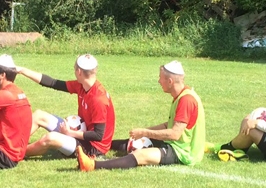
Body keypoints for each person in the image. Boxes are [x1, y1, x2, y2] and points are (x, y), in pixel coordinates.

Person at [76, 60, 205, 172]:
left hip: (182, 153)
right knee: (134, 142)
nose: (159, 81)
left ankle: (91, 165)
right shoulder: (183, 95)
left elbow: (174, 134)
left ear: (170, 81)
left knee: (140, 155)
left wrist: (144, 132)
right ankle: (97, 148)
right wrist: (144, 132)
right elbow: (169, 125)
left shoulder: (186, 100)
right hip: (177, 144)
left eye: (160, 78)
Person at [15, 54, 115, 159]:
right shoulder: (82, 85)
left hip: (93, 147)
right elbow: (53, 83)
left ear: (79, 72)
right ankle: (13, 145)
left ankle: (15, 153)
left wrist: (69, 132)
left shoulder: (98, 99)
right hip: (80, 133)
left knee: (50, 138)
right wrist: (22, 70)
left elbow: (98, 135)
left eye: (74, 69)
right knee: (39, 115)